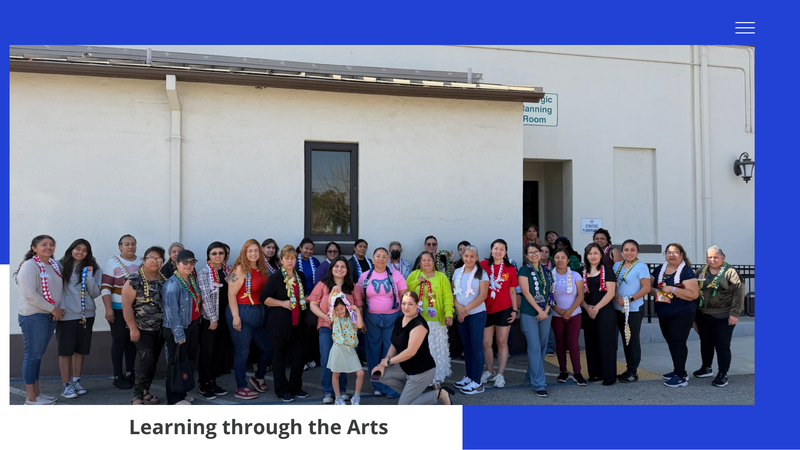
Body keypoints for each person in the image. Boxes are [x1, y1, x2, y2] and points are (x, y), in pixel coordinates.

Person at [371, 292, 454, 405]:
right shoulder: (399, 320)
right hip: (405, 367)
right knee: (381, 375)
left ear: (417, 304)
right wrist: (382, 365)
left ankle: (439, 393)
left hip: (421, 371)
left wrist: (389, 362)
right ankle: (412, 396)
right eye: (404, 303)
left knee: (403, 406)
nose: (406, 307)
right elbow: (394, 344)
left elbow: (410, 352)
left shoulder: (419, 325)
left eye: (410, 304)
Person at [16, 235, 64, 405]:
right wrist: (53, 309)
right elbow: (30, 294)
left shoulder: (54, 265)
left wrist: (57, 310)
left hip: (50, 315)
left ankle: (37, 393)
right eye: (43, 245)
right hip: (34, 316)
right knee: (32, 356)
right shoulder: (30, 265)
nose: (48, 247)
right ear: (34, 248)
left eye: (52, 244)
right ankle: (31, 397)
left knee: (37, 356)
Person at [308, 256, 363, 404]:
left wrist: (360, 323)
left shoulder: (352, 286)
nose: (339, 269)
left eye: (343, 266)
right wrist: (324, 317)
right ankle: (328, 391)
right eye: (336, 266)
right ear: (331, 268)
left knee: (344, 358)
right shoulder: (323, 284)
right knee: (327, 359)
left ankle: (342, 390)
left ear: (347, 270)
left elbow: (358, 306)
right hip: (327, 327)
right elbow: (313, 304)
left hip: (347, 330)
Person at [261, 245, 309, 402]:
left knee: (299, 356)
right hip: (280, 324)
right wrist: (282, 303)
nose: (290, 260)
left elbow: (302, 296)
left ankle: (295, 387)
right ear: (281, 260)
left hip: (298, 323)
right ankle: (281, 390)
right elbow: (264, 298)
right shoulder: (276, 277)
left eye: (293, 258)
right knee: (279, 356)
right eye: (286, 258)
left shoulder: (300, 276)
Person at [226, 239, 273, 399]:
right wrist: (235, 317)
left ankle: (258, 377)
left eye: (256, 250)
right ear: (244, 253)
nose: (253, 253)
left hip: (260, 313)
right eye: (250, 251)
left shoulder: (263, 268)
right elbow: (231, 293)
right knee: (242, 351)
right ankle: (241, 387)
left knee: (268, 348)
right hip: (241, 312)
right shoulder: (239, 269)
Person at [358, 248, 408, 398]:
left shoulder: (396, 275)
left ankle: (392, 386)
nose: (380, 259)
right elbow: (360, 300)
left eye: (384, 256)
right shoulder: (364, 276)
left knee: (390, 351)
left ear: (387, 259)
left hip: (393, 318)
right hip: (371, 318)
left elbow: (404, 297)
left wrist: (406, 320)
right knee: (373, 351)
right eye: (378, 256)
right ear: (373, 258)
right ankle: (377, 385)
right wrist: (361, 320)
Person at [121, 246, 167, 405]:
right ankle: (137, 396)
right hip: (141, 330)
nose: (155, 261)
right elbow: (126, 306)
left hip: (160, 330)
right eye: (151, 258)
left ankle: (146, 393)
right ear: (144, 260)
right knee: (145, 361)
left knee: (153, 362)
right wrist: (133, 328)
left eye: (159, 259)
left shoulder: (164, 280)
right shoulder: (133, 280)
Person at [57, 239, 102, 399]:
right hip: (66, 315)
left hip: (86, 314)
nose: (80, 252)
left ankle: (76, 381)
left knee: (80, 350)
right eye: (78, 248)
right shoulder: (58, 266)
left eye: (85, 250)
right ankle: (66, 385)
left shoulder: (94, 268)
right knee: (65, 351)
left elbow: (96, 293)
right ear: (71, 249)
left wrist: (88, 275)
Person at [693, 245, 744, 387]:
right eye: (710, 257)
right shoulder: (700, 272)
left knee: (722, 345)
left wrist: (734, 314)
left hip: (723, 316)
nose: (713, 259)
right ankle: (706, 367)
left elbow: (738, 295)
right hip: (703, 314)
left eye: (716, 256)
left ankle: (723, 374)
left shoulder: (731, 272)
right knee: (706, 342)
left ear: (723, 257)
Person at [651, 243, 700, 388]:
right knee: (671, 341)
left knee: (677, 342)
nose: (671, 255)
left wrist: (672, 289)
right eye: (668, 252)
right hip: (664, 312)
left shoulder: (686, 272)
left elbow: (693, 294)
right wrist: (654, 291)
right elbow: (650, 286)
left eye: (675, 252)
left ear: (681, 255)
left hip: (682, 313)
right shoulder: (660, 269)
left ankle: (681, 376)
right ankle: (677, 370)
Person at [406, 251, 454, 386]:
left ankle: (436, 378)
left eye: (429, 260)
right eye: (424, 260)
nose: (427, 262)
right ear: (420, 262)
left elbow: (447, 296)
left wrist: (449, 313)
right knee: (419, 349)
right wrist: (417, 281)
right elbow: (405, 289)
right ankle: (419, 379)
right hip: (417, 320)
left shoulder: (441, 277)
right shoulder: (414, 275)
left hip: (436, 321)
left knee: (435, 349)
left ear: (434, 262)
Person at [101, 234, 141, 389]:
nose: (130, 246)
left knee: (133, 341)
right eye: (127, 244)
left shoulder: (141, 262)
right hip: (117, 309)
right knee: (119, 341)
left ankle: (130, 373)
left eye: (133, 243)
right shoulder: (113, 263)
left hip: (136, 309)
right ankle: (118, 375)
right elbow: (105, 287)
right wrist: (108, 308)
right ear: (120, 246)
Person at [478, 239, 518, 388]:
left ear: (505, 252)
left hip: (504, 309)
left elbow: (512, 290)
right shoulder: (482, 266)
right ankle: (489, 371)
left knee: (502, 342)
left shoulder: (510, 269)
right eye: (496, 248)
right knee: (486, 343)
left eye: (502, 249)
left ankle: (500, 374)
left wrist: (514, 310)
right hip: (485, 309)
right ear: (491, 250)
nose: (498, 251)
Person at [195, 241, 232, 399]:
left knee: (219, 351)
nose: (218, 256)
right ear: (209, 256)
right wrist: (213, 319)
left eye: (221, 253)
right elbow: (205, 297)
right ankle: (204, 384)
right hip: (211, 319)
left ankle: (213, 381)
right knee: (208, 352)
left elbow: (237, 286)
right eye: (214, 253)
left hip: (226, 316)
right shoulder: (204, 272)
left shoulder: (229, 270)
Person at [451, 245, 489, 395]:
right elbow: (453, 293)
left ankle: (477, 382)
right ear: (462, 257)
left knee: (476, 347)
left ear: (477, 258)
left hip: (476, 315)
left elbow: (483, 296)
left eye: (472, 256)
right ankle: (469, 376)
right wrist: (458, 308)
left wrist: (465, 310)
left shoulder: (482, 273)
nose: (468, 259)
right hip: (461, 314)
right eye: (466, 256)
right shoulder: (457, 273)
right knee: (466, 347)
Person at [612, 239, 652, 383]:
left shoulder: (641, 267)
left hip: (633, 309)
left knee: (632, 339)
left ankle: (633, 371)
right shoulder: (617, 265)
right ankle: (628, 369)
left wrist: (629, 299)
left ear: (637, 252)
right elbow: (612, 285)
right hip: (617, 307)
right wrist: (616, 296)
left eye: (632, 250)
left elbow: (646, 288)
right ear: (622, 251)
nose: (629, 253)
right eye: (626, 250)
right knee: (624, 339)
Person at [518, 242, 554, 397]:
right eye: (530, 252)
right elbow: (526, 292)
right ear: (526, 255)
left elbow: (551, 292)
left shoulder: (547, 271)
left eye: (536, 252)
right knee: (534, 347)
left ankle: (530, 376)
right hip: (529, 313)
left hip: (546, 313)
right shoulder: (524, 270)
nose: (534, 254)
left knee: (542, 345)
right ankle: (539, 383)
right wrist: (539, 310)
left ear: (541, 253)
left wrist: (546, 310)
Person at [581, 243, 618, 385]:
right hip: (588, 311)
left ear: (601, 255)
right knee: (591, 343)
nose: (593, 256)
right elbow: (579, 294)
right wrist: (586, 307)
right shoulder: (581, 271)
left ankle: (609, 376)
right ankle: (595, 373)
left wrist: (596, 308)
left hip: (604, 311)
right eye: (590, 254)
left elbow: (611, 292)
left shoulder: (608, 271)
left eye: (596, 253)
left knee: (606, 343)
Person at [550, 247, 586, 386]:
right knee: (559, 344)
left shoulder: (576, 275)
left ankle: (577, 372)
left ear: (568, 260)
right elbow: (548, 296)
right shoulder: (549, 275)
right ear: (554, 260)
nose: (560, 260)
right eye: (557, 257)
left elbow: (581, 295)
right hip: (556, 314)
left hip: (574, 314)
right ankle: (563, 371)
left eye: (563, 258)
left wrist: (570, 311)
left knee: (573, 343)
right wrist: (558, 310)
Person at [327, 294, 366, 405]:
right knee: (336, 374)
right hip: (338, 348)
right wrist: (334, 291)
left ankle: (356, 397)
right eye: (337, 309)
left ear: (346, 307)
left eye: (342, 309)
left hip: (350, 349)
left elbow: (359, 326)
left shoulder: (352, 317)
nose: (340, 311)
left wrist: (357, 311)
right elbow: (330, 302)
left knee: (361, 373)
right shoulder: (335, 316)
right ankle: (338, 398)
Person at [296, 238, 321, 370]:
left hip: (313, 299)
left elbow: (318, 281)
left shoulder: (315, 261)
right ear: (300, 248)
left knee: (312, 326)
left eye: (311, 249)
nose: (309, 251)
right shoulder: (294, 261)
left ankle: (309, 356)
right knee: (300, 328)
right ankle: (301, 358)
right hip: (298, 299)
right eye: (306, 248)